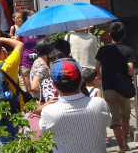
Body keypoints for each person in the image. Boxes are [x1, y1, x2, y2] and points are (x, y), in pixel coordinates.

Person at [40, 58, 111, 153]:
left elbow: (44, 131)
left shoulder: (48, 111)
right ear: (81, 80)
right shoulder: (99, 104)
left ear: (53, 84)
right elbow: (108, 122)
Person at [95, 21, 136, 153]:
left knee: (115, 119)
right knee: (125, 116)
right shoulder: (128, 50)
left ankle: (121, 149)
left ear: (109, 34)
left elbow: (96, 69)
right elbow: (131, 71)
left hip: (108, 87)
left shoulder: (102, 50)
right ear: (124, 35)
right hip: (124, 88)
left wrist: (101, 78)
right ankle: (125, 143)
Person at [14, 9, 39, 95]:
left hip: (38, 61)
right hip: (26, 62)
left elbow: (45, 42)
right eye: (30, 15)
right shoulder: (23, 29)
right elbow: (15, 41)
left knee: (37, 87)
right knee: (29, 88)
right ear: (26, 17)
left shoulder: (40, 29)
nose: (33, 16)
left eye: (34, 14)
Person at [30, 38, 57, 102]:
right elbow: (34, 87)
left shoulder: (38, 61)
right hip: (42, 101)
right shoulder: (42, 66)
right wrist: (44, 95)